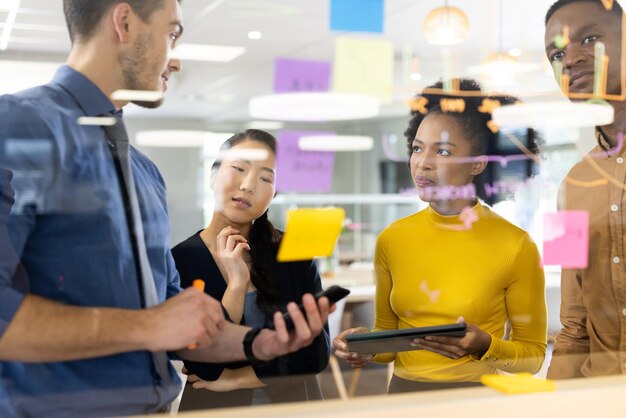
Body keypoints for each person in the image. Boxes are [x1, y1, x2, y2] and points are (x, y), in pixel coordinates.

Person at [0, 1, 330, 416]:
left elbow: (176, 320)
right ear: (124, 22)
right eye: (172, 34)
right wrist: (148, 326)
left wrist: (260, 344)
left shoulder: (145, 174)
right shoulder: (13, 127)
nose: (175, 60)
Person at [333, 79, 547, 393]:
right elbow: (390, 346)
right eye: (417, 148)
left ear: (477, 163)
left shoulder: (515, 245)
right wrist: (363, 345)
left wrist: (485, 345)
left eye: (443, 151)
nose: (423, 162)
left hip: (474, 398)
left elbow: (533, 356)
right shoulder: (393, 239)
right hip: (403, 395)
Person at [171, 129, 330, 409]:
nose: (247, 185)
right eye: (239, 168)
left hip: (293, 408)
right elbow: (205, 365)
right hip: (214, 411)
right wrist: (235, 285)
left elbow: (315, 354)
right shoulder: (179, 260)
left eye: (265, 178)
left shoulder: (293, 252)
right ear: (212, 176)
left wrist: (236, 379)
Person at [544, 0, 626, 378]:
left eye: (589, 39)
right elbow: (573, 324)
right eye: (557, 53)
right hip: (601, 392)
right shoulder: (570, 185)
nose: (571, 59)